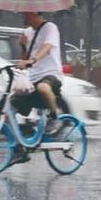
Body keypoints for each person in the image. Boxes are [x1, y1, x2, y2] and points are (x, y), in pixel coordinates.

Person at [10, 12, 64, 164]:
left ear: (34, 13)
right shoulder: (27, 32)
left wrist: (33, 60)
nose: (23, 16)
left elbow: (47, 47)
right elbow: (25, 58)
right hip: (31, 78)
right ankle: (20, 148)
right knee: (8, 109)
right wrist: (22, 45)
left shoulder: (50, 28)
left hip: (51, 75)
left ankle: (54, 117)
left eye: (26, 13)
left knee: (43, 88)